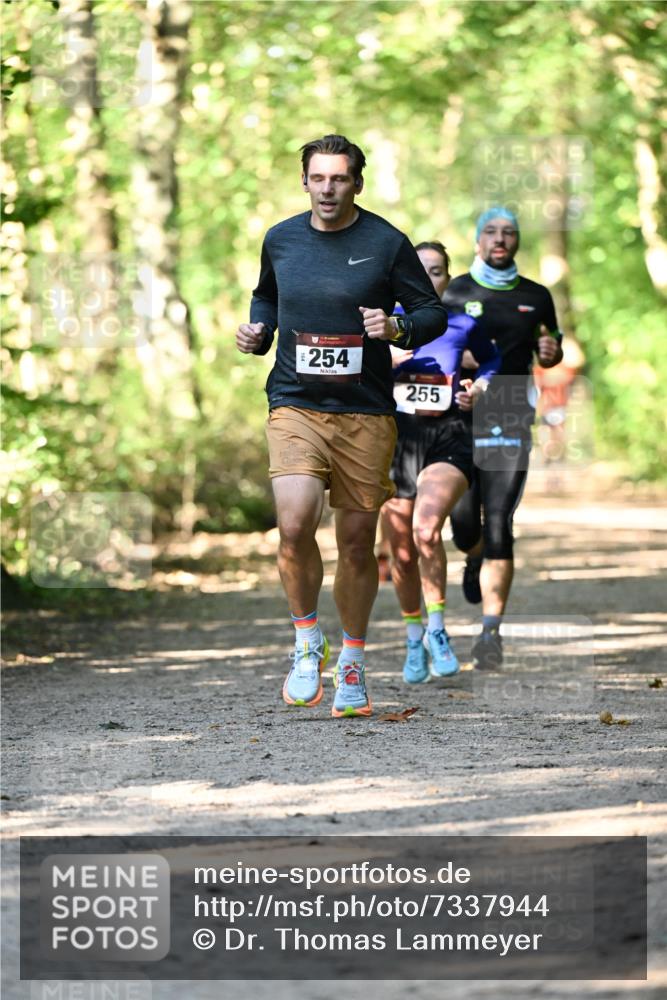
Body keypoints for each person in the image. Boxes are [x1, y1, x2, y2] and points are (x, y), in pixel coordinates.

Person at [236, 134, 446, 718]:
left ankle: (352, 658)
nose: (328, 189)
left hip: (365, 412)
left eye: (340, 178)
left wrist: (397, 326)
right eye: (318, 178)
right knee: (295, 522)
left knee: (356, 543)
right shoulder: (280, 239)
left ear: (357, 181)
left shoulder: (386, 242)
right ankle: (308, 641)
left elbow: (431, 313)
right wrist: (259, 333)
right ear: (304, 180)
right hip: (296, 404)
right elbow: (266, 300)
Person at [445, 207, 563, 669]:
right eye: (491, 232)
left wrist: (552, 353)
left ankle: (491, 633)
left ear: (517, 242)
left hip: (511, 409)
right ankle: (473, 558)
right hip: (458, 414)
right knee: (463, 524)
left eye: (508, 232)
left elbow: (551, 346)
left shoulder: (536, 295)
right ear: (477, 241)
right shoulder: (454, 290)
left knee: (499, 520)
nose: (500, 239)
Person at [381, 242, 501, 683]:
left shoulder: (462, 323)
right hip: (394, 440)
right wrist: (385, 360)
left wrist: (479, 388)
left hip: (449, 436)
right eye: (420, 270)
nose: (429, 278)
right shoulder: (381, 323)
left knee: (427, 530)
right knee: (401, 550)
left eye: (436, 271)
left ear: (447, 278)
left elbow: (493, 359)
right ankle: (413, 635)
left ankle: (436, 630)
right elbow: (349, 370)